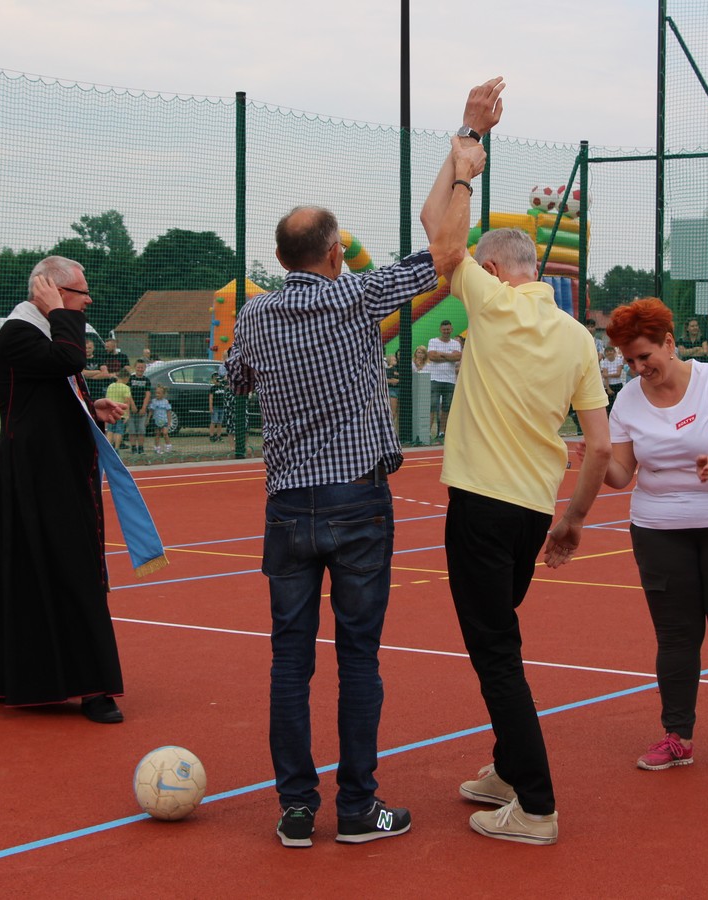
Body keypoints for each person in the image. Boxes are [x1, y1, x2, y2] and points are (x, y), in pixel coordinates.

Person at [224, 80, 489, 849]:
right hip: (356, 502)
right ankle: (356, 806)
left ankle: (296, 808)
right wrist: (466, 158)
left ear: (279, 258)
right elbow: (446, 253)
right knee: (359, 660)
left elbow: (237, 378)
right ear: (336, 253)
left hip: (287, 506)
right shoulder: (356, 295)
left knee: (288, 663)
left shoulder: (256, 310)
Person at [422, 81, 610, 848]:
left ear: (494, 269)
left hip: (479, 503)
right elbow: (598, 444)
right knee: (502, 638)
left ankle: (535, 804)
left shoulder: (490, 302)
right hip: (534, 510)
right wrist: (571, 521)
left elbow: (438, 231)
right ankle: (506, 768)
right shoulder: (576, 337)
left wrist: (468, 142)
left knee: (495, 653)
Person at [600, 297, 708, 774]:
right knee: (676, 636)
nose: (638, 368)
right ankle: (677, 736)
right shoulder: (628, 400)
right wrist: (596, 461)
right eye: (630, 360)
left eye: (645, 356)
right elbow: (622, 473)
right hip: (660, 529)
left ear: (670, 343)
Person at [0, 255, 130, 724]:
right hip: (36, 474)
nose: (88, 300)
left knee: (35, 572)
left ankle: (8, 675)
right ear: (49, 291)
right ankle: (93, 687)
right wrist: (61, 313)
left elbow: (52, 390)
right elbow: (70, 359)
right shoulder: (20, 332)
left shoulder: (39, 333)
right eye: (79, 292)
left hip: (53, 468)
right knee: (69, 570)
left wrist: (90, 408)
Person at [427, 320, 463, 439]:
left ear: (451, 330)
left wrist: (441, 354)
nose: (446, 331)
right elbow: (432, 356)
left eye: (448, 329)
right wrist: (449, 357)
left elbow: (458, 357)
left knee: (446, 407)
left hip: (450, 380)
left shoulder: (456, 343)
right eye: (444, 329)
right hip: (435, 379)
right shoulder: (433, 341)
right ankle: (427, 432)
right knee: (433, 405)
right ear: (440, 330)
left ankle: (442, 431)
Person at [126, 360, 153, 454]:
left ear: (145, 368)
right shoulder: (130, 378)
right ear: (135, 367)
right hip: (131, 409)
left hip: (142, 410)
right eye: (138, 367)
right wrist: (132, 405)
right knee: (132, 430)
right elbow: (128, 393)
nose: (140, 369)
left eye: (142, 367)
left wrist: (144, 408)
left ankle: (141, 448)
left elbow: (148, 395)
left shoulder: (146, 380)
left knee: (141, 429)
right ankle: (133, 447)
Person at [104, 365, 134, 450]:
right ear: (126, 378)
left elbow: (107, 400)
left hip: (111, 413)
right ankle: (116, 448)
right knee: (119, 432)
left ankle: (108, 448)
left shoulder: (110, 386)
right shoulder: (126, 388)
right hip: (120, 414)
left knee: (110, 431)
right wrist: (127, 414)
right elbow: (126, 402)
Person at [149, 386, 173, 453]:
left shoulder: (165, 402)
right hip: (156, 420)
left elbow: (168, 412)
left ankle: (168, 446)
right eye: (156, 393)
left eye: (159, 393)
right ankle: (157, 447)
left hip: (164, 420)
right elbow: (151, 411)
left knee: (165, 433)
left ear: (163, 394)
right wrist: (148, 419)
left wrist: (169, 421)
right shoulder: (154, 401)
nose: (157, 395)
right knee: (157, 434)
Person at [208, 373, 229, 443]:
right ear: (213, 380)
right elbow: (211, 398)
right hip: (215, 407)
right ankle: (211, 436)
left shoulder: (223, 387)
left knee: (220, 422)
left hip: (222, 407)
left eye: (217, 378)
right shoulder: (213, 388)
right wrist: (211, 407)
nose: (216, 380)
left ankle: (219, 436)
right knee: (214, 421)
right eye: (215, 379)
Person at [385, 353, 401, 431]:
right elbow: (385, 380)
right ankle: (390, 429)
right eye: (393, 360)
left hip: (400, 390)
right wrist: (391, 381)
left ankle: (397, 430)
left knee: (399, 413)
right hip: (392, 391)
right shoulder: (387, 370)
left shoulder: (398, 368)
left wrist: (397, 380)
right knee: (393, 412)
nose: (395, 361)